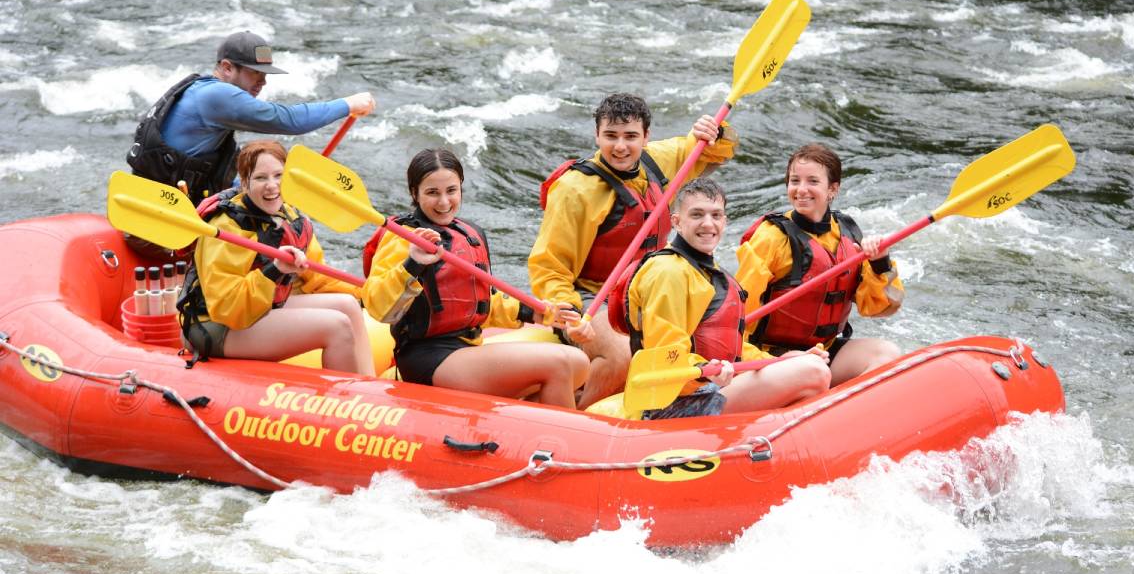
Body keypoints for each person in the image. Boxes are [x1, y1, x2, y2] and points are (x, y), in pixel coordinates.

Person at [529, 93, 737, 409]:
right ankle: (585, 421)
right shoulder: (574, 190)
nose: (621, 147)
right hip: (590, 299)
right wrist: (568, 312)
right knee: (622, 354)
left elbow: (705, 151)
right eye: (610, 136)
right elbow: (550, 267)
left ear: (646, 136)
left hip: (644, 292)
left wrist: (714, 133)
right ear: (597, 135)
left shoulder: (656, 161)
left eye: (630, 137)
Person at [361, 149, 590, 409]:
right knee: (559, 366)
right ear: (415, 193)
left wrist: (538, 313)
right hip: (429, 357)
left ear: (461, 189)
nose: (444, 202)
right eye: (432, 193)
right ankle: (560, 443)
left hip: (468, 349)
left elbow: (479, 302)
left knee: (578, 364)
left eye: (451, 190)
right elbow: (378, 308)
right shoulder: (404, 237)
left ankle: (526, 435)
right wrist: (412, 263)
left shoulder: (470, 234)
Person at [612, 178, 831, 419]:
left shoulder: (710, 271)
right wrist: (705, 371)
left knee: (800, 362)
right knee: (813, 372)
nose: (708, 224)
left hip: (710, 388)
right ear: (676, 222)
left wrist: (776, 361)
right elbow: (666, 355)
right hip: (673, 406)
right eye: (697, 215)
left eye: (716, 215)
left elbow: (731, 348)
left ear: (725, 221)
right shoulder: (668, 272)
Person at [177, 140, 374, 375]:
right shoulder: (228, 227)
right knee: (336, 326)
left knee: (348, 305)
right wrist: (274, 270)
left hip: (261, 308)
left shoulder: (288, 216)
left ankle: (370, 390)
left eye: (278, 175)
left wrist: (369, 293)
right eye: (261, 178)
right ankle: (346, 404)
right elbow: (227, 307)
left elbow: (317, 279)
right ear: (244, 182)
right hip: (216, 325)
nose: (272, 186)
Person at [127, 30, 376, 207]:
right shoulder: (217, 96)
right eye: (255, 72)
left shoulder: (202, 88)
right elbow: (289, 120)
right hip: (160, 212)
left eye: (265, 74)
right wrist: (347, 104)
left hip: (168, 199)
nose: (263, 81)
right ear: (226, 67)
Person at [735, 143, 903, 387]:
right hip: (772, 357)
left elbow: (879, 309)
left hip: (824, 351)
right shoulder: (771, 237)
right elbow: (738, 318)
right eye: (795, 181)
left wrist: (880, 262)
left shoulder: (847, 233)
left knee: (886, 353)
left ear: (833, 189)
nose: (801, 190)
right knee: (812, 370)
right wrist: (755, 360)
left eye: (812, 181)